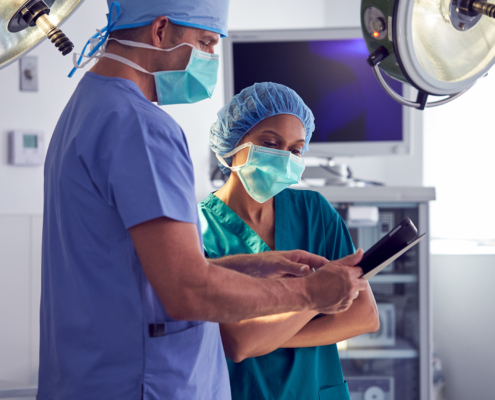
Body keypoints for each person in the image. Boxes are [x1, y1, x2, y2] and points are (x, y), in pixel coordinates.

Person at [38, 1, 368, 399]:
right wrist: (311, 294)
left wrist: (251, 265)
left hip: (91, 372)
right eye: (207, 42)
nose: (211, 59)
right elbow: (187, 290)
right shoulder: (142, 127)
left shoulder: (87, 107)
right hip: (142, 382)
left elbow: (133, 270)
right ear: (160, 31)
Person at [200, 82, 379, 400]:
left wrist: (265, 335)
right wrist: (317, 297)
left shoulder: (316, 212)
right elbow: (238, 343)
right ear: (233, 140)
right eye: (270, 143)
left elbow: (364, 315)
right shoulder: (199, 229)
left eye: (295, 150)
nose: (284, 159)